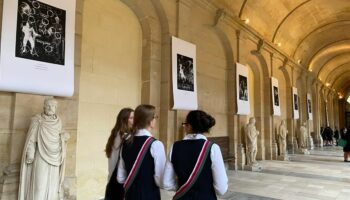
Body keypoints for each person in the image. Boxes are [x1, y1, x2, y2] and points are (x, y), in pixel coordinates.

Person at [163, 110, 228, 199]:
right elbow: (221, 188)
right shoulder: (213, 148)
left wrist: (182, 187)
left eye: (185, 124)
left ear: (189, 126)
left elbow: (166, 183)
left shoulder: (175, 147)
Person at [18, 97, 69, 200]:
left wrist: (65, 136)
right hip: (41, 156)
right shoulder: (38, 120)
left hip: (55, 157)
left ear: (56, 108)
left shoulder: (58, 122)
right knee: (39, 187)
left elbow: (59, 134)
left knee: (52, 186)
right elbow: (31, 139)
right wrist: (30, 153)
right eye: (48, 106)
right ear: (44, 107)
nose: (51, 108)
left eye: (53, 106)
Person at [117, 104, 166, 200]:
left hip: (130, 195)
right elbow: (160, 179)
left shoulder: (125, 143)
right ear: (150, 121)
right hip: (149, 194)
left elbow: (120, 177)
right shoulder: (156, 144)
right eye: (155, 117)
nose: (156, 120)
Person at [104, 108, 134, 200]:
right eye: (131, 118)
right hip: (119, 182)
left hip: (113, 180)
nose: (134, 120)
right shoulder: (125, 137)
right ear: (124, 120)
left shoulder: (115, 134)